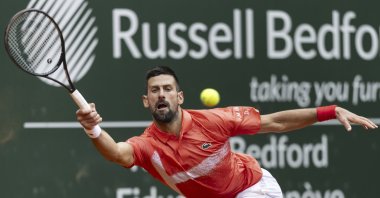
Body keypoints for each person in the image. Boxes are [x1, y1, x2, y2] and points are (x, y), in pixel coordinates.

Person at [76, 66, 377, 198]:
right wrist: (92, 129)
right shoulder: (147, 146)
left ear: (180, 97)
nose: (161, 95)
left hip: (253, 188)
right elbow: (116, 153)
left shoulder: (214, 120)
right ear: (146, 101)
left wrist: (330, 111)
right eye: (155, 91)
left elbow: (275, 122)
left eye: (168, 89)